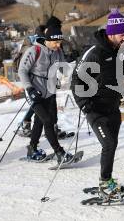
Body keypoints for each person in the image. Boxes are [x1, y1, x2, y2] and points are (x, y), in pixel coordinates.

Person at [71, 9, 124, 199]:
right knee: (109, 143)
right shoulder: (94, 53)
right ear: (112, 32)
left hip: (112, 106)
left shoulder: (122, 51)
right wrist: (85, 105)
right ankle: (105, 184)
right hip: (95, 109)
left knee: (111, 145)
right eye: (122, 33)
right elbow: (76, 81)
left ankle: (107, 179)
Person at [18, 16, 74, 163]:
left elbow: (64, 69)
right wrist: (29, 89)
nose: (57, 45)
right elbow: (22, 71)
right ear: (47, 39)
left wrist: (73, 60)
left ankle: (32, 148)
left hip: (49, 91)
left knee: (40, 121)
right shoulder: (34, 50)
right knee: (48, 120)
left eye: (60, 42)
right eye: (55, 42)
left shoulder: (57, 51)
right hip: (33, 90)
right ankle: (59, 152)